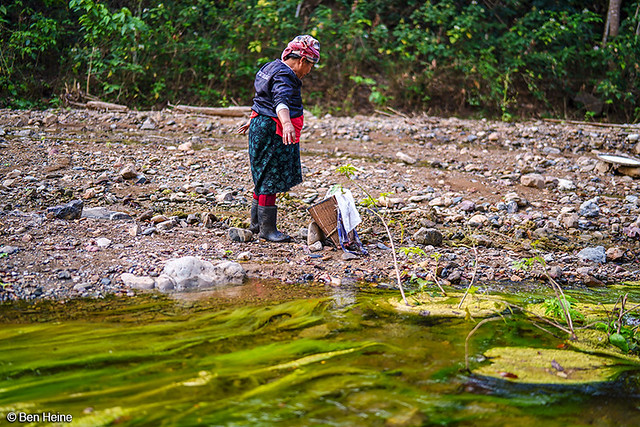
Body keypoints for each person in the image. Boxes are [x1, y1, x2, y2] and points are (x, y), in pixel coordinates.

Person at [236, 35, 320, 242]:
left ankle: (255, 224)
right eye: (310, 66)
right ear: (302, 60)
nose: (309, 71)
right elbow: (280, 102)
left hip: (260, 124)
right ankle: (267, 229)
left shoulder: (270, 67)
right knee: (269, 176)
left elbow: (262, 98)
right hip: (273, 129)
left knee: (261, 174)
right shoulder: (285, 76)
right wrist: (287, 123)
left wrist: (252, 120)